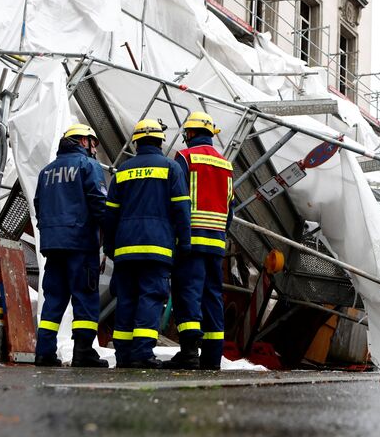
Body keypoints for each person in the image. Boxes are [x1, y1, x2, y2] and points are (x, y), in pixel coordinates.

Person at [104, 119, 191, 368]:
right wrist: (184, 244)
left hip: (125, 249)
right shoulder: (171, 169)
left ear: (137, 141)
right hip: (157, 248)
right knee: (150, 298)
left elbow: (110, 214)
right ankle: (142, 353)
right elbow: (181, 210)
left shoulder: (122, 171)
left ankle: (122, 355)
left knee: (126, 299)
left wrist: (109, 246)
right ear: (160, 141)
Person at [34, 123, 108, 368]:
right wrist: (110, 233)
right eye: (93, 143)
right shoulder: (88, 166)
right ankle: (83, 352)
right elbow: (99, 203)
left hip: (53, 245)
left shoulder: (46, 172)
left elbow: (38, 205)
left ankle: (44, 352)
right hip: (80, 243)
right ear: (83, 141)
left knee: (53, 298)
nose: (94, 148)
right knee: (85, 297)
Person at [163, 111, 233, 370]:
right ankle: (212, 358)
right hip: (216, 242)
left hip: (189, 239)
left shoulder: (184, 157)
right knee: (213, 296)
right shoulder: (225, 164)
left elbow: (176, 199)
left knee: (187, 293)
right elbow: (230, 207)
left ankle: (189, 353)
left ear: (190, 133)